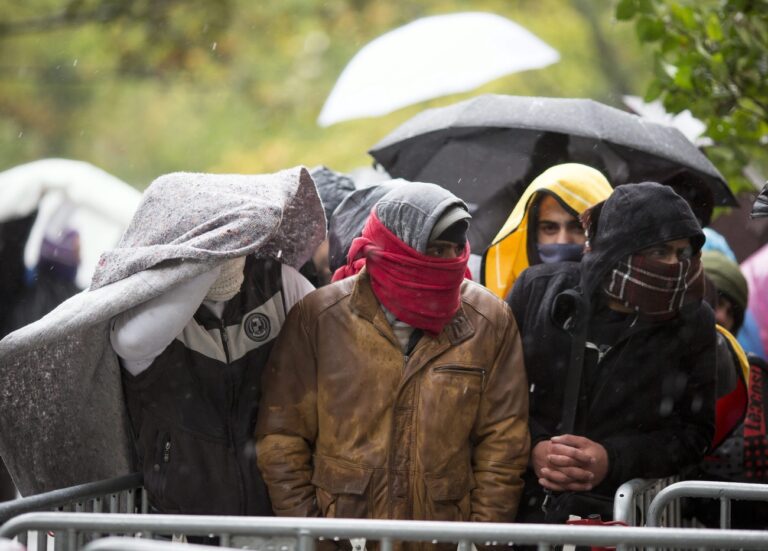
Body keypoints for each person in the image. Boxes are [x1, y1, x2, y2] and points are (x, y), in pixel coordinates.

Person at [255, 182, 530, 535]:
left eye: (454, 249)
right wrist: (316, 535)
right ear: (394, 248)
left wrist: (478, 538)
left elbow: (504, 446)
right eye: (434, 249)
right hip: (346, 539)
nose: (447, 263)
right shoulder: (320, 319)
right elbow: (281, 438)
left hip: (442, 540)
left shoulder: (489, 321)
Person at [508, 182, 716, 523]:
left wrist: (612, 459)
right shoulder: (538, 292)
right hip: (527, 515)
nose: (674, 266)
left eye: (683, 254)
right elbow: (494, 401)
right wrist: (535, 448)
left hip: (623, 520)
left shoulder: (692, 320)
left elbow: (694, 433)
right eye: (660, 252)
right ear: (618, 250)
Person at [482, 163, 613, 300]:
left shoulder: (623, 304)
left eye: (578, 228)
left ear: (603, 228)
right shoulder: (502, 307)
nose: (562, 241)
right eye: (550, 228)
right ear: (532, 235)